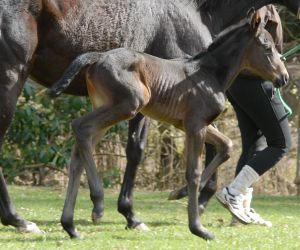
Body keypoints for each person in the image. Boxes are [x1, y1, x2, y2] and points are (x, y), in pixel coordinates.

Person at [216, 5, 292, 226]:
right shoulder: (258, 8)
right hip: (255, 81)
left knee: (254, 144)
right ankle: (233, 192)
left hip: (238, 83)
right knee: (281, 143)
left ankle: (239, 214)